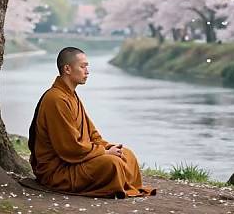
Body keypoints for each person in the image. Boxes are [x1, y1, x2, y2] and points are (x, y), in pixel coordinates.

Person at [28, 47, 156, 198]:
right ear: (67, 69)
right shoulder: (56, 99)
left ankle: (122, 183)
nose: (87, 71)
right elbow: (70, 148)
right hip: (59, 170)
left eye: (87, 66)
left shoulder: (71, 96)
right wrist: (105, 152)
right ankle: (118, 183)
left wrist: (108, 146)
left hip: (77, 160)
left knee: (127, 155)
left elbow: (92, 134)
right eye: (83, 66)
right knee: (112, 163)